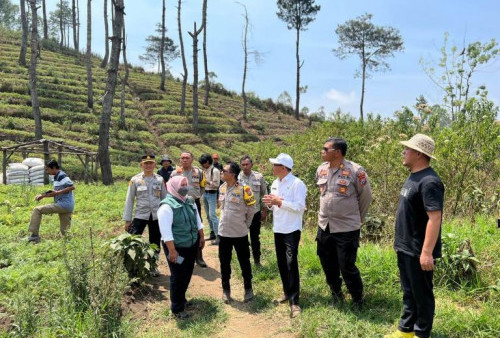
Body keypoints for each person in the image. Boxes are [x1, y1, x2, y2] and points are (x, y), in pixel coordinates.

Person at [385, 134, 444, 338]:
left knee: (422, 294)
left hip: (419, 249)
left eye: (407, 149)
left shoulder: (430, 181)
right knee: (409, 291)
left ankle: (422, 333)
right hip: (405, 246)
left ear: (419, 154)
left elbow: (435, 218)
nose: (404, 152)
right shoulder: (414, 176)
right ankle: (405, 331)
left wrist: (426, 253)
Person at [315, 137, 372, 309]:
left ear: (337, 152)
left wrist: (357, 219)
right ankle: (336, 293)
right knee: (327, 262)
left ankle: (357, 299)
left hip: (347, 228)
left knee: (346, 265)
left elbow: (366, 197)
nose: (322, 152)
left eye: (326, 149)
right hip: (325, 225)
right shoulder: (321, 170)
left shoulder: (356, 170)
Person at [262, 153, 307, 318]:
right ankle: (287, 292)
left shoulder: (297, 184)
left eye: (275, 165)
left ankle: (295, 302)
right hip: (278, 228)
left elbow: (300, 206)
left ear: (283, 168)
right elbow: (276, 206)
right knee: (281, 262)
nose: (272, 167)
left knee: (291, 262)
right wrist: (271, 204)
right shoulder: (275, 183)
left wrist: (280, 202)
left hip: (292, 229)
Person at [158, 176, 205, 319]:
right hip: (176, 247)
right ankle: (177, 308)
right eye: (181, 185)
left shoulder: (190, 201)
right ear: (173, 187)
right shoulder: (166, 206)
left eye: (186, 184)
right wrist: (172, 251)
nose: (185, 187)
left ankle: (182, 299)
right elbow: (166, 232)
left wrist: (201, 237)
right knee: (178, 276)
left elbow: (198, 220)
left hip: (191, 245)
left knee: (187, 273)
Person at [218, 162, 256, 304]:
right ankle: (226, 290)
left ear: (232, 174)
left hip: (240, 233)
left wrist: (246, 225)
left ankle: (248, 289)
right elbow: (221, 207)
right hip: (224, 233)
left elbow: (252, 208)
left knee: (244, 262)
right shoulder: (222, 188)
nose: (222, 173)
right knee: (224, 263)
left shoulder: (244, 189)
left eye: (224, 171)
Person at [123, 154, 167, 276]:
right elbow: (129, 200)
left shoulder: (160, 179)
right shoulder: (135, 180)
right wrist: (127, 219)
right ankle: (132, 267)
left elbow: (165, 199)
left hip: (156, 216)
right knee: (133, 241)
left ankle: (152, 266)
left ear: (154, 165)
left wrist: (167, 217)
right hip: (140, 215)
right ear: (141, 165)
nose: (148, 166)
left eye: (150, 163)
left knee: (155, 242)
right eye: (146, 163)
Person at [171, 152, 207, 267]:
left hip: (194, 203)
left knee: (196, 227)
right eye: (182, 158)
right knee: (180, 228)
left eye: (187, 158)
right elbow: (171, 187)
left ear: (192, 159)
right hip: (179, 203)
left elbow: (202, 186)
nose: (185, 160)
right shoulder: (175, 173)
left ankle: (198, 257)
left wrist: (196, 196)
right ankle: (181, 257)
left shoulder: (199, 172)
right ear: (180, 160)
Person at [27, 159, 75, 243]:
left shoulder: (61, 175)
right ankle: (69, 247)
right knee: (65, 232)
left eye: (47, 169)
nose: (47, 172)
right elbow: (54, 192)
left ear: (53, 168)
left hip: (63, 205)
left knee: (37, 210)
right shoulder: (57, 177)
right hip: (68, 206)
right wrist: (43, 195)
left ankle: (34, 236)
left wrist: (57, 192)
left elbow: (72, 187)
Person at [238, 155, 268, 266]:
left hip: (255, 213)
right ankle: (245, 260)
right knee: (242, 238)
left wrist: (265, 210)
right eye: (243, 165)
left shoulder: (258, 177)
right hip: (241, 213)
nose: (245, 167)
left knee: (255, 238)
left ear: (251, 165)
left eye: (247, 164)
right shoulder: (237, 177)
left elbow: (264, 193)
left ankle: (257, 260)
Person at [199, 154, 221, 244]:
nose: (202, 165)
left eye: (203, 163)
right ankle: (212, 233)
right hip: (205, 193)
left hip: (212, 194)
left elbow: (216, 185)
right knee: (208, 215)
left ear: (207, 162)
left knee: (213, 215)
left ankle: (219, 236)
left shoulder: (215, 171)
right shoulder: (204, 170)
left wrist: (207, 182)